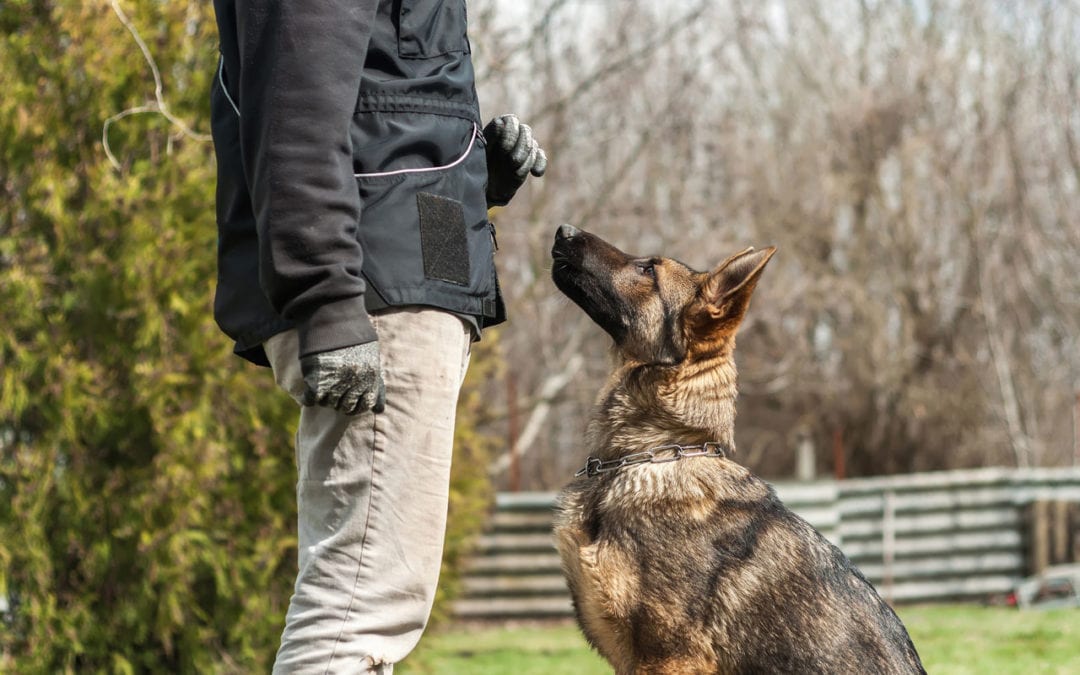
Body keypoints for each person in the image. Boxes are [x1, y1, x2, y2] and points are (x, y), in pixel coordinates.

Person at [208, 1, 546, 672]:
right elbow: (297, 96)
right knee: (358, 609)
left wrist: (472, 179)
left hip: (401, 276)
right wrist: (326, 295)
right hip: (368, 295)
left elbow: (389, 101)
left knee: (367, 602)